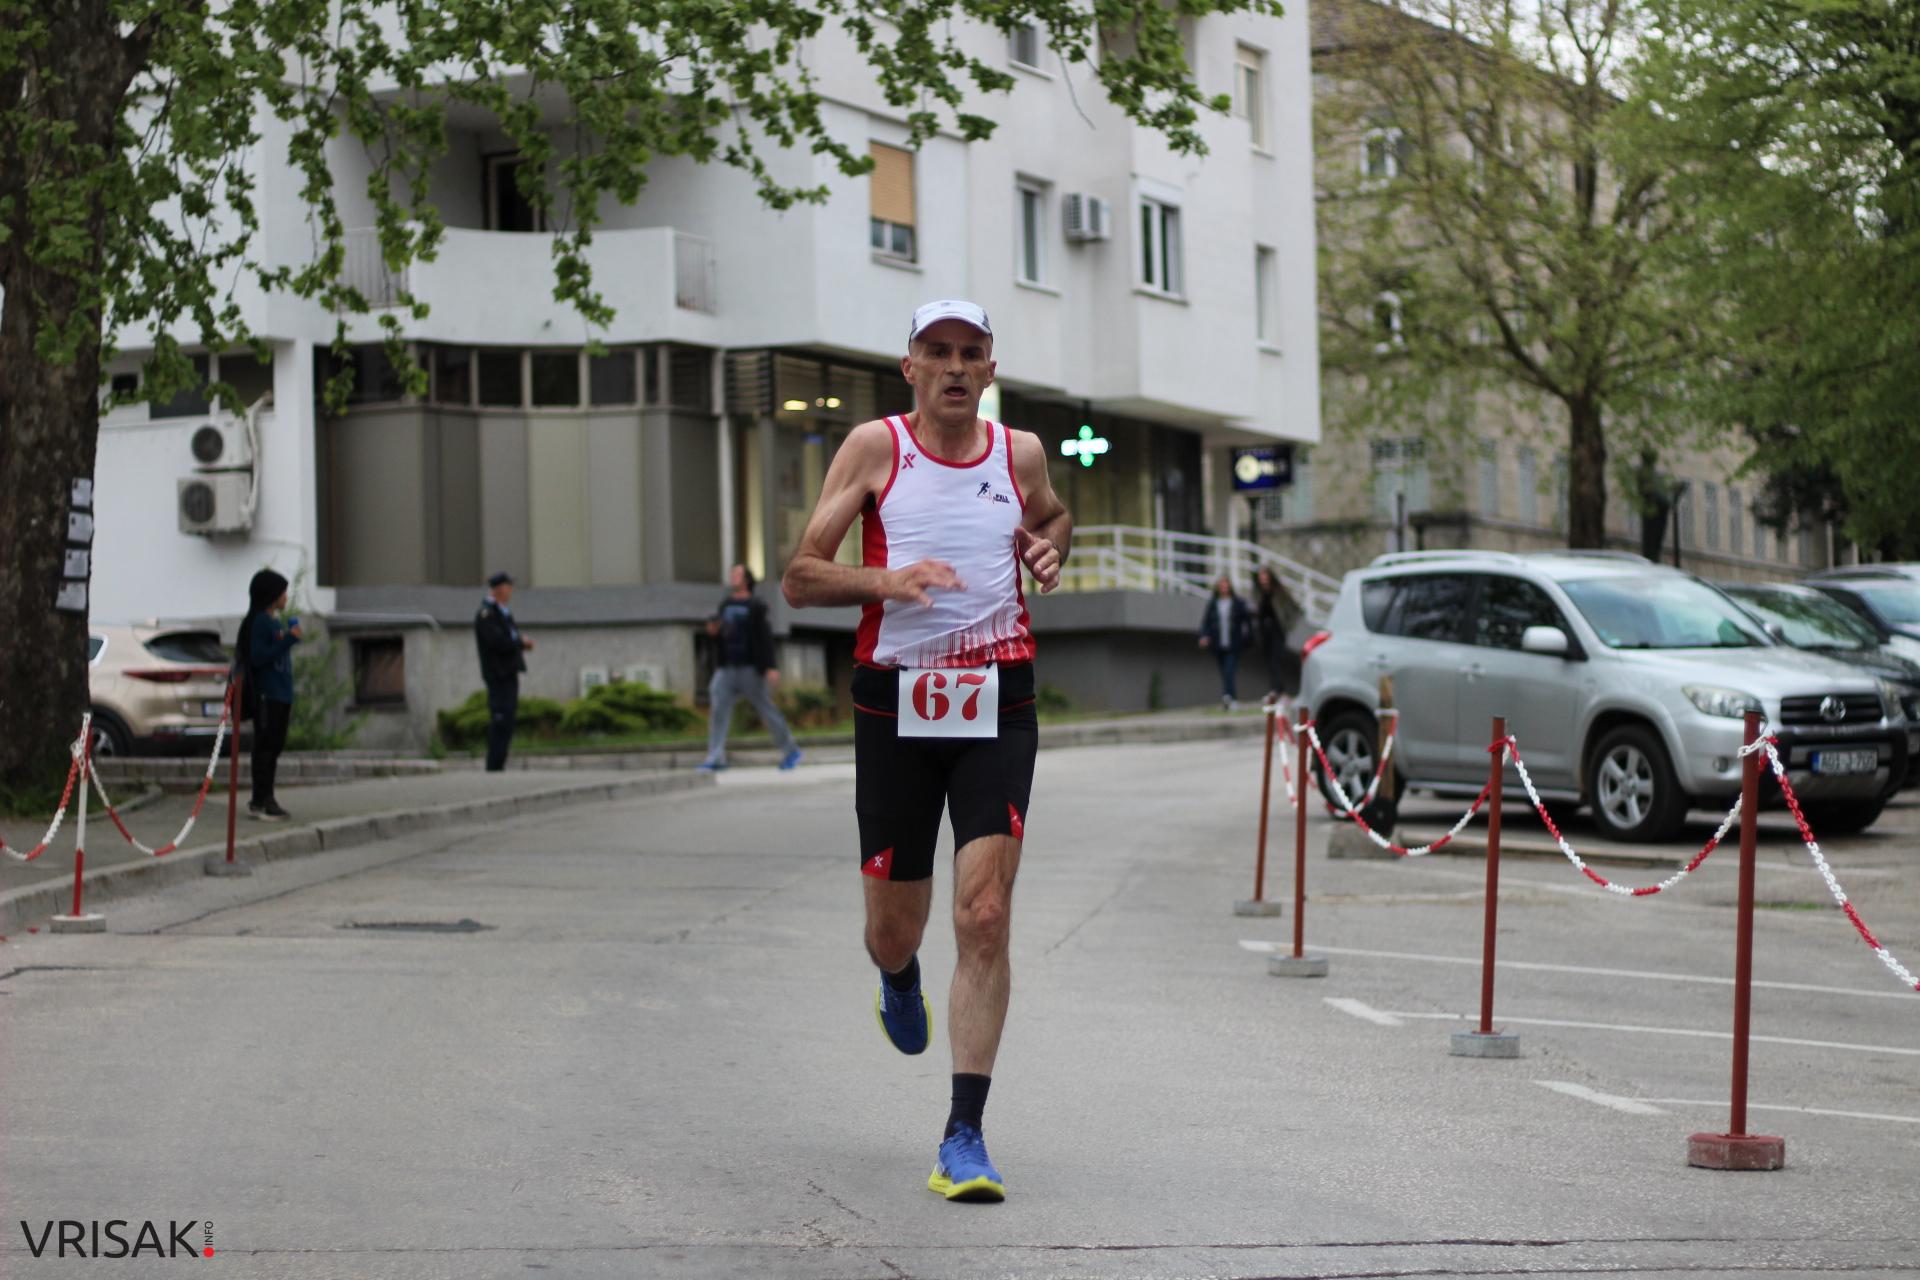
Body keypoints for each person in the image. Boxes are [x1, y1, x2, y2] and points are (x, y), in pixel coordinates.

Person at [782, 299, 1070, 1204]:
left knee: (983, 914)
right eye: (936, 351)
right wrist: (885, 580)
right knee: (893, 926)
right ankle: (895, 975)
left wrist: (1048, 550)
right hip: (895, 704)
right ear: (908, 366)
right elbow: (799, 576)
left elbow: (1056, 518)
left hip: (999, 700)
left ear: (989, 371)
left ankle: (964, 1135)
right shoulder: (874, 449)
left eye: (970, 353)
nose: (953, 366)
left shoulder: (1018, 453)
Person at [700, 564, 802, 772]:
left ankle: (790, 750)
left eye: (737, 574)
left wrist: (770, 666)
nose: (733, 577)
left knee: (766, 709)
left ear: (746, 579)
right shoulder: (726, 604)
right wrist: (714, 632)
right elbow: (723, 633)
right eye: (732, 574)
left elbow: (763, 636)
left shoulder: (756, 605)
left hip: (750, 668)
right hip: (726, 667)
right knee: (718, 709)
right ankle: (716, 756)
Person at [235, 568, 300, 821]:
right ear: (271, 595)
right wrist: (288, 641)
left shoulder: (272, 622)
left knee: (274, 747)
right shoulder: (259, 621)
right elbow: (259, 656)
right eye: (282, 592)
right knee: (266, 748)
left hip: (281, 694)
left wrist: (285, 637)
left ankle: (265, 797)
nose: (286, 596)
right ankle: (261, 800)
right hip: (267, 695)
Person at [474, 572, 534, 772]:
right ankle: (493, 766)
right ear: (500, 588)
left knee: (508, 718)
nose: (511, 591)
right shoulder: (487, 614)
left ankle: (499, 763)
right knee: (500, 718)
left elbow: (508, 638)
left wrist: (521, 644)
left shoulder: (503, 612)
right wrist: (519, 642)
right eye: (509, 586)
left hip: (508, 672)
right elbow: (496, 642)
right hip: (498, 674)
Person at [1197, 575, 1253, 710]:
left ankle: (1229, 698)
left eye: (1226, 585)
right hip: (1218, 643)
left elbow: (1247, 620)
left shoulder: (1238, 602)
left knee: (1229, 670)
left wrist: (1247, 637)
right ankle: (1230, 697)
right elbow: (1206, 622)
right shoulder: (1213, 603)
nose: (1224, 588)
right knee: (1225, 671)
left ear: (1229, 587)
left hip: (1233, 643)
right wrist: (1204, 636)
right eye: (1221, 585)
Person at [1251, 565, 1302, 699]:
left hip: (1277, 630)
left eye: (1265, 575)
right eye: (1261, 576)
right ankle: (1274, 689)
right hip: (1264, 630)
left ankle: (1278, 690)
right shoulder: (1258, 593)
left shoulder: (1278, 592)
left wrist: (1287, 625)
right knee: (1269, 661)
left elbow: (1295, 609)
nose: (1263, 579)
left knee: (1276, 659)